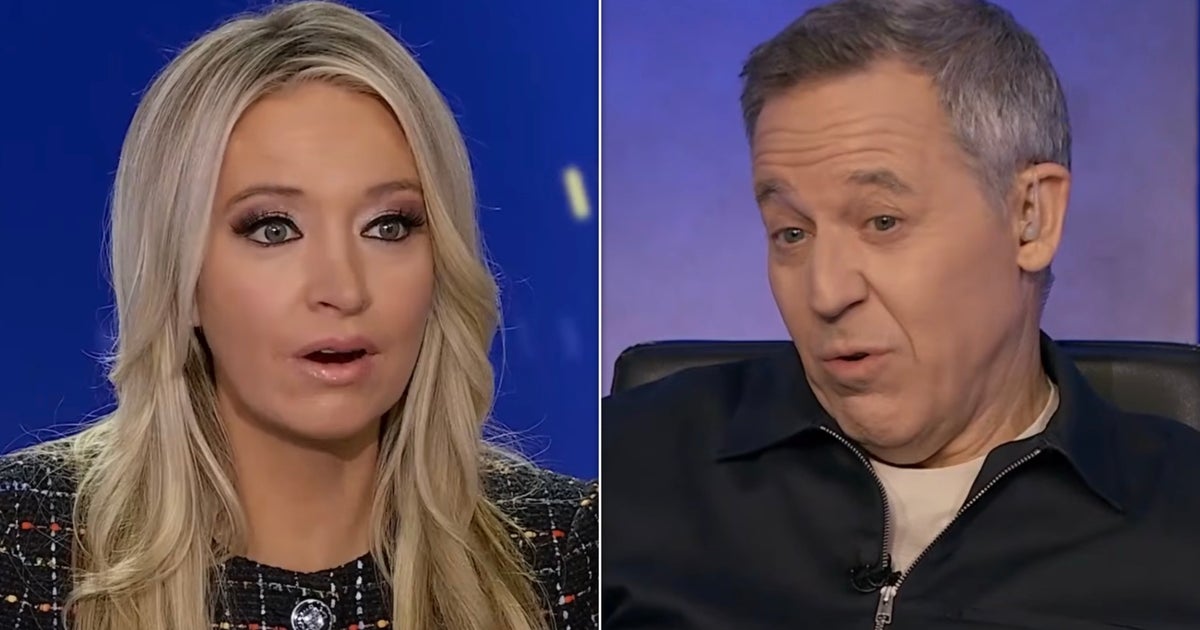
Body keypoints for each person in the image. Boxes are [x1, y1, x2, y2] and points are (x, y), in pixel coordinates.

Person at [602, 0, 1200, 628]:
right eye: (791, 233)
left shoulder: (1182, 520)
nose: (826, 293)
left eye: (882, 222)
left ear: (1031, 217)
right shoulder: (620, 467)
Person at [0, 2, 597, 629]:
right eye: (274, 229)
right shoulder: (25, 543)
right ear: (183, 276)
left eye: (388, 226)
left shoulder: (568, 555)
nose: (343, 289)